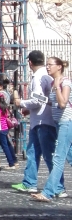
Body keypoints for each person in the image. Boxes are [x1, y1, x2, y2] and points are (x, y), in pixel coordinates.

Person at [11, 50, 59, 194]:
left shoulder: (38, 77)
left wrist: (21, 103)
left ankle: (57, 185)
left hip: (42, 121)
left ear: (30, 62)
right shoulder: (46, 75)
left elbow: (38, 100)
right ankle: (29, 181)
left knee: (48, 154)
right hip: (40, 119)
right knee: (33, 152)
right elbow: (44, 99)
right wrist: (28, 109)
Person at [32, 57, 72, 201]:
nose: (47, 67)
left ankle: (48, 192)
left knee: (58, 159)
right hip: (59, 123)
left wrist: (56, 87)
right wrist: (42, 99)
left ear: (59, 66)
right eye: (47, 64)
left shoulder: (65, 82)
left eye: (50, 64)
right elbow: (55, 103)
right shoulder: (53, 82)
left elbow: (62, 103)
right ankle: (55, 189)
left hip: (66, 122)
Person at [0, 78, 17, 169]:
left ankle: (11, 163)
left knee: (4, 145)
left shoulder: (0, 104)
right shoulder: (4, 106)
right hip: (4, 126)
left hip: (1, 127)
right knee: (1, 143)